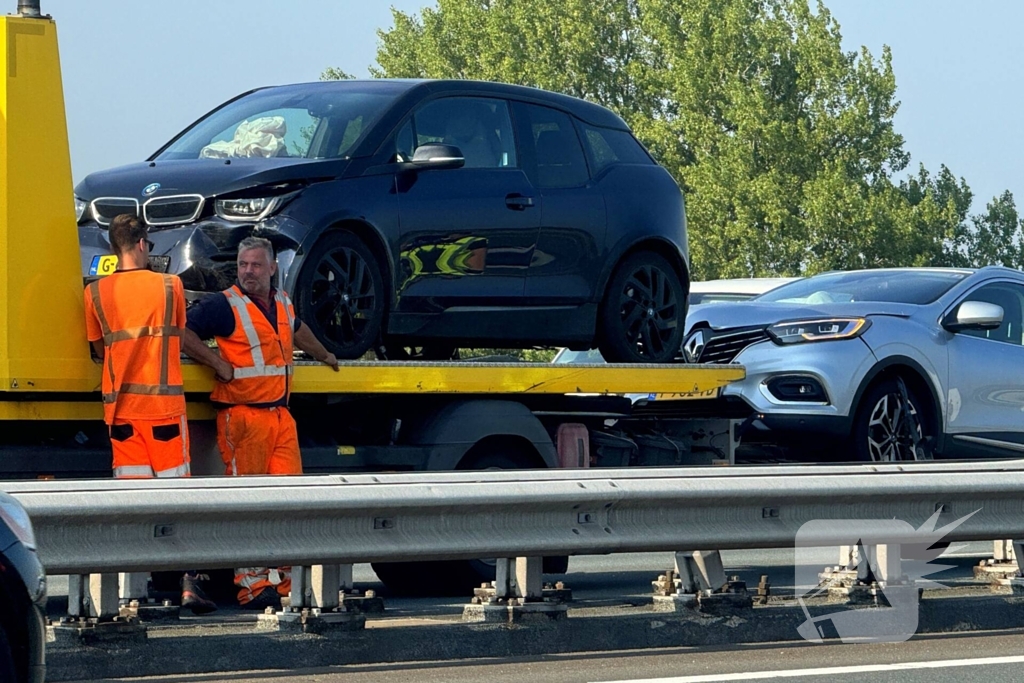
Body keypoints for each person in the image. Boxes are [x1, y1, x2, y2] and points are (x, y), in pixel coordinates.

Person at [84, 214, 233, 615]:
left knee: (132, 502)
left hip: (122, 416)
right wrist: (219, 365)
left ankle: (134, 591)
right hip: (164, 410)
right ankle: (188, 583)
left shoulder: (96, 293)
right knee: (177, 500)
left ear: (115, 247)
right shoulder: (170, 286)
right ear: (143, 244)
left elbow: (99, 350)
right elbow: (182, 335)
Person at [186, 236, 339, 610]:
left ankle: (283, 583)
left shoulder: (282, 303)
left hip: (279, 417)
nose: (248, 272)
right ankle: (253, 585)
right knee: (249, 505)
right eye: (243, 265)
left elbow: (296, 328)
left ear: (273, 268)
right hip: (243, 417)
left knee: (288, 502)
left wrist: (324, 353)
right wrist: (216, 362)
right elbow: (182, 331)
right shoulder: (225, 304)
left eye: (255, 265)